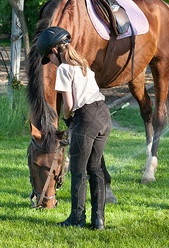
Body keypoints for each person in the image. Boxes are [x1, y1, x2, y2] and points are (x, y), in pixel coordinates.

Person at [37, 26, 112, 229]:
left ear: (54, 50)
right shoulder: (82, 63)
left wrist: (67, 120)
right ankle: (99, 220)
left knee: (79, 172)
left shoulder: (63, 68)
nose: (50, 63)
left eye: (48, 58)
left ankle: (77, 219)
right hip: (103, 115)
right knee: (95, 169)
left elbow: (69, 106)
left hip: (86, 118)